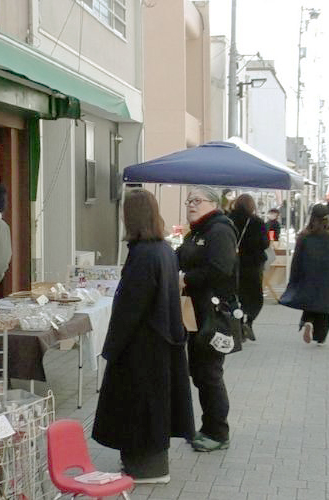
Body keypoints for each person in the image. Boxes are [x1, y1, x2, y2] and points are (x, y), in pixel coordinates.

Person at [92, 189, 194, 484]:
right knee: (153, 410)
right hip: (160, 344)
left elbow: (130, 309)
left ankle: (145, 470)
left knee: (138, 411)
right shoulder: (162, 250)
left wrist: (111, 348)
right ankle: (150, 466)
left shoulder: (143, 255)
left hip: (141, 348)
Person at [177, 186, 238, 452]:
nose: (191, 205)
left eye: (197, 201)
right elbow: (180, 257)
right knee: (200, 372)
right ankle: (208, 426)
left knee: (210, 372)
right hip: (194, 312)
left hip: (214, 314)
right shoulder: (198, 232)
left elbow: (220, 270)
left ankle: (218, 432)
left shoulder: (220, 230)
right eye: (189, 201)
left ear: (213, 204)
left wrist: (186, 279)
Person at [279, 204, 329, 345]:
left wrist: (294, 279)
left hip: (308, 276)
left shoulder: (304, 236)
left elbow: (296, 260)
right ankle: (320, 338)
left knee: (310, 304)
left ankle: (308, 322)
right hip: (328, 278)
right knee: (324, 309)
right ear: (327, 219)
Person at [228, 194, 269, 339]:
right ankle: (249, 321)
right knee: (254, 296)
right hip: (252, 264)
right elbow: (265, 244)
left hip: (233, 263)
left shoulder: (228, 220)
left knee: (235, 295)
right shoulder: (257, 222)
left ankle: (238, 325)